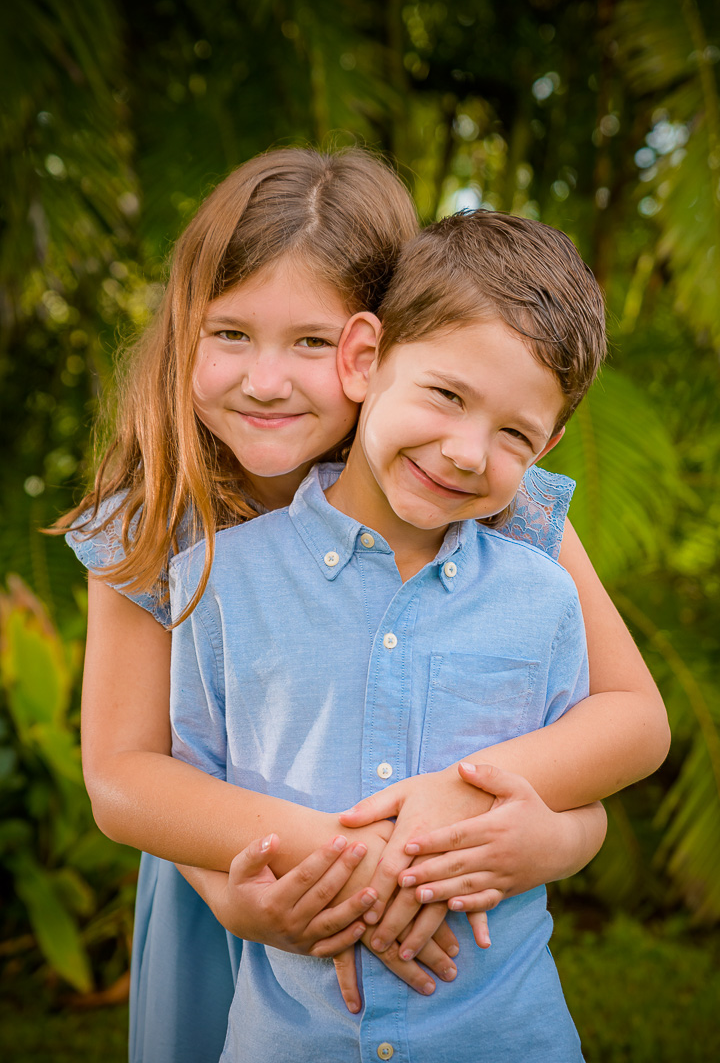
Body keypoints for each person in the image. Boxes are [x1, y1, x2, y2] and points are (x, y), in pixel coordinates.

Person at [56, 148, 669, 1062]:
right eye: (230, 334)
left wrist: (539, 827)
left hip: (447, 929)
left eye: (309, 341)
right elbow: (125, 772)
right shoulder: (159, 518)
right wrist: (281, 878)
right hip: (232, 874)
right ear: (183, 329)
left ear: (368, 347)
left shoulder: (490, 490)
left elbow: (632, 718)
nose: (268, 381)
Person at [168, 208, 623, 1061]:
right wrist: (267, 884)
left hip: (505, 1036)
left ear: (550, 446)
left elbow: (591, 779)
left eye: (514, 435)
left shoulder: (543, 595)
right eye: (447, 395)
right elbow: (181, 778)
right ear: (367, 358)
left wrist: (555, 840)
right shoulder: (220, 579)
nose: (465, 451)